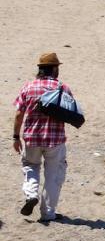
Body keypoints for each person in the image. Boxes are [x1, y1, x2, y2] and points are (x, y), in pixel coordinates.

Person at [12, 53, 71, 223]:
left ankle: (31, 194)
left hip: (31, 138)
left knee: (31, 166)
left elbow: (18, 114)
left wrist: (16, 137)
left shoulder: (28, 87)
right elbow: (71, 112)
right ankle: (48, 213)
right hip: (55, 140)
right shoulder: (62, 87)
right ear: (54, 69)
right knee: (54, 176)